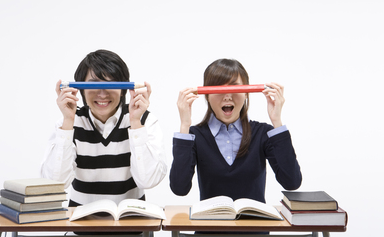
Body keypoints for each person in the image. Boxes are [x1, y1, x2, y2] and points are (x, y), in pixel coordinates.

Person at [41, 49, 167, 208]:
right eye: (94, 85)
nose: (102, 94)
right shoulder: (67, 124)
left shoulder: (144, 120)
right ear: (81, 90)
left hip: (133, 226)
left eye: (111, 84)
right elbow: (55, 183)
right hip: (82, 228)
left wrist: (135, 122)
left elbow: (148, 180)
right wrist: (68, 122)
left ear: (123, 90)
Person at [170, 58, 302, 205]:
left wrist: (277, 121)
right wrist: (184, 125)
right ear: (207, 95)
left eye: (235, 88)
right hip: (211, 226)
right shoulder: (195, 136)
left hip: (253, 226)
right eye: (219, 89)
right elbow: (179, 188)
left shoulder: (263, 133)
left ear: (246, 93)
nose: (227, 96)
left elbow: (292, 182)